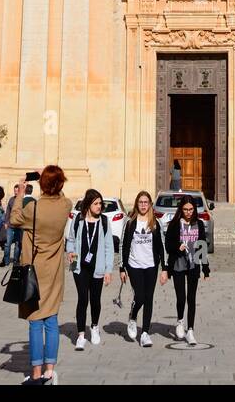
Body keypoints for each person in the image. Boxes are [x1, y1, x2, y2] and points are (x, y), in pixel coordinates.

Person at [9, 165, 72, 386]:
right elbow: (62, 195)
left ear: (42, 185)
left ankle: (36, 374)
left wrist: (20, 193)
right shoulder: (65, 205)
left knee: (36, 321)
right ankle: (49, 372)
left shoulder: (33, 208)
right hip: (54, 272)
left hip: (33, 271)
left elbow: (14, 219)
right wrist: (50, 176)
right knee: (52, 320)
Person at [66, 188, 115, 349]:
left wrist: (108, 270)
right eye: (96, 203)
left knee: (95, 299)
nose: (99, 206)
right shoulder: (79, 220)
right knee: (82, 299)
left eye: (100, 203)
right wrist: (71, 256)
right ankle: (81, 334)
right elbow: (71, 240)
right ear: (88, 204)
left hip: (98, 268)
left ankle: (94, 326)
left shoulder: (105, 222)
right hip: (79, 267)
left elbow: (109, 247)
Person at [119, 190, 166, 347]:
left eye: (146, 202)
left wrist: (164, 268)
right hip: (134, 265)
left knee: (149, 298)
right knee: (139, 296)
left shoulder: (155, 223)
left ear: (150, 204)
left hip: (151, 265)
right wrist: (121, 268)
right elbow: (123, 245)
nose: (143, 205)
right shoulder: (130, 222)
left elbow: (161, 247)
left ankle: (145, 332)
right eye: (141, 202)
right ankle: (133, 316)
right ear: (136, 204)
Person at [164, 194, 210, 344]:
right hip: (178, 264)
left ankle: (190, 330)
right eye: (185, 209)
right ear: (181, 209)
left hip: (193, 265)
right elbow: (168, 245)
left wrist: (206, 269)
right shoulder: (174, 224)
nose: (188, 212)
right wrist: (178, 247)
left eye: (191, 209)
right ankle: (180, 321)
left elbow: (202, 245)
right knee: (181, 297)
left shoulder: (199, 224)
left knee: (191, 298)